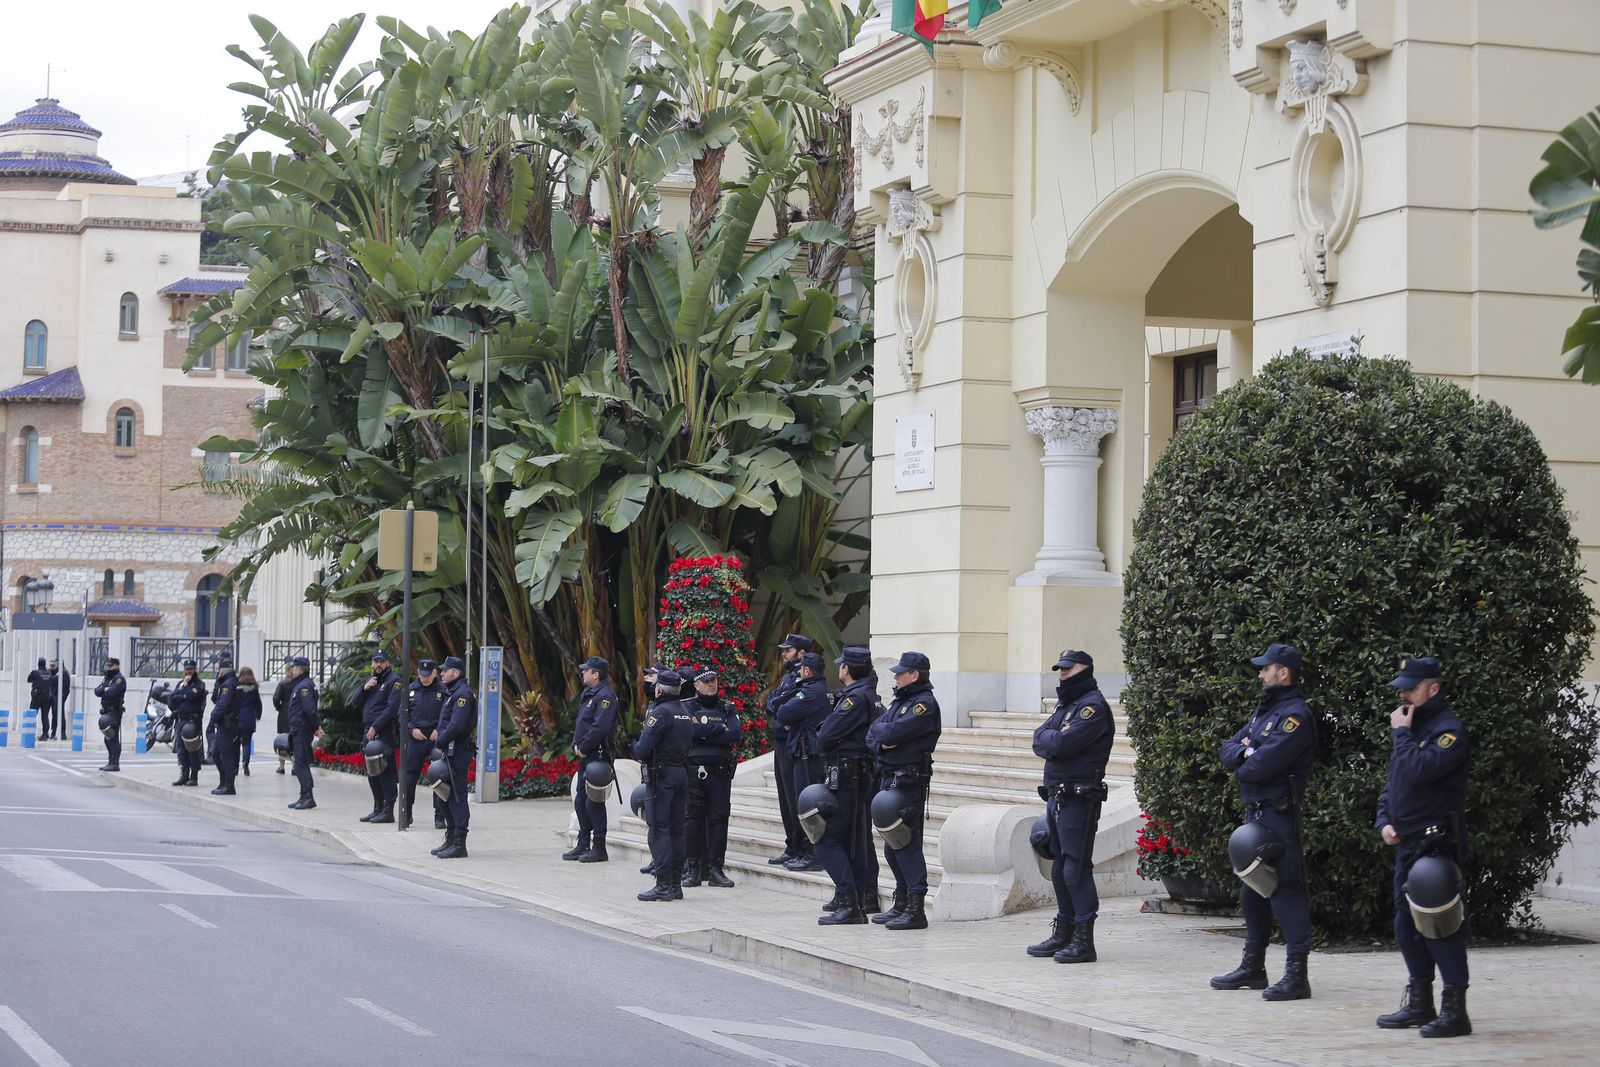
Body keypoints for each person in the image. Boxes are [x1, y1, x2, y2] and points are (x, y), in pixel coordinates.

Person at [1212, 643, 1318, 1000]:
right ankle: (1253, 966)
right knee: (1252, 889)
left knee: (1286, 889)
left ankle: (1297, 975)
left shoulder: (1295, 716)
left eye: (1265, 668)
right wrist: (1246, 750)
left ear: (1283, 673)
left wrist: (1247, 755)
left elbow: (1259, 767)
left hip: (1279, 813)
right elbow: (1228, 749)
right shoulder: (1265, 713)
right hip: (1256, 812)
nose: (1260, 674)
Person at [1374, 656, 1472, 1039]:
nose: (1403, 695)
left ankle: (1455, 1011)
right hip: (1408, 843)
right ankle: (1420, 1003)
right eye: (1401, 688)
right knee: (1406, 925)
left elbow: (1421, 770)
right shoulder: (1411, 728)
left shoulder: (1449, 731)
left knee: (1439, 926)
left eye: (1411, 688)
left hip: (1435, 844)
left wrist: (1401, 734)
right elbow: (1394, 784)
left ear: (1433, 688)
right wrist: (1384, 821)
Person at [1027, 650, 1115, 963]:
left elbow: (1062, 744)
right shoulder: (1068, 705)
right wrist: (1052, 739)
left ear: (1084, 669)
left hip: (1079, 796)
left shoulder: (1092, 707)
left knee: (1075, 867)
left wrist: (1052, 740)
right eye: (1060, 669)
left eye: (1068, 669)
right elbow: (1039, 738)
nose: (1062, 674)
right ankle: (1063, 930)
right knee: (1059, 865)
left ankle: (1083, 938)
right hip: (1058, 795)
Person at [866, 651, 942, 931]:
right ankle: (901, 901)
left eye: (900, 673)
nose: (896, 677)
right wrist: (883, 741)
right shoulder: (901, 702)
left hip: (909, 782)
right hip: (889, 779)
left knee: (907, 845)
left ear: (914, 675)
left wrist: (886, 737)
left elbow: (890, 733)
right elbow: (874, 732)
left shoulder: (924, 705)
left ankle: (915, 908)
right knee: (891, 847)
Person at [813, 646, 880, 925]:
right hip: (857, 775)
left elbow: (825, 736)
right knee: (855, 842)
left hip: (848, 776)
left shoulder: (855, 698)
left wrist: (825, 732)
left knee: (826, 839)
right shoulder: (869, 695)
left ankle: (849, 899)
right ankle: (857, 901)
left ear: (846, 669)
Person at [633, 670, 696, 901]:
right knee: (678, 829)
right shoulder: (685, 712)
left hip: (661, 776)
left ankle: (663, 884)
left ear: (659, 689)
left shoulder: (660, 713)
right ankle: (675, 883)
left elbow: (642, 750)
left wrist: (634, 745)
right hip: (680, 773)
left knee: (659, 829)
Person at [773, 648, 832, 872]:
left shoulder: (810, 692)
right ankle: (806, 850)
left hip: (808, 756)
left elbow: (783, 712)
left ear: (806, 670)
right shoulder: (823, 689)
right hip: (808, 753)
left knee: (807, 805)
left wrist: (792, 719)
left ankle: (811, 853)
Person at [682, 669, 740, 889]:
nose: (711, 684)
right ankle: (693, 870)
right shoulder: (687, 706)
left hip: (720, 772)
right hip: (693, 771)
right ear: (696, 685)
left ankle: (716, 869)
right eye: (706, 681)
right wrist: (717, 729)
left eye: (713, 680)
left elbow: (734, 734)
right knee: (693, 821)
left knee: (719, 820)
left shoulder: (727, 707)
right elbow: (689, 731)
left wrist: (703, 732)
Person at [765, 634, 813, 867]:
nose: (783, 653)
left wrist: (778, 707)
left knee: (795, 797)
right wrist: (778, 707)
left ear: (802, 653)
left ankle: (803, 847)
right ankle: (792, 845)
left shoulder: (803, 678)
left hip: (794, 742)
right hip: (781, 741)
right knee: (785, 797)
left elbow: (787, 708)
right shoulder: (787, 677)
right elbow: (771, 704)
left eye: (788, 650)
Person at [567, 656, 620, 863]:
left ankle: (599, 847)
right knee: (581, 799)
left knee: (594, 801)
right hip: (586, 754)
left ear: (596, 674)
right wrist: (576, 744)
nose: (583, 673)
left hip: (598, 754)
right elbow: (582, 723)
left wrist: (584, 746)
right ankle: (583, 843)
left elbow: (600, 727)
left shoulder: (606, 696)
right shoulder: (590, 694)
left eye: (586, 670)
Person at [433, 656, 476, 859]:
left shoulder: (462, 695)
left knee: (457, 797)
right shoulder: (452, 692)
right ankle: (450, 837)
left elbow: (457, 725)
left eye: (445, 670)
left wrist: (440, 741)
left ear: (456, 673)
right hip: (449, 750)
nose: (441, 673)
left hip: (458, 750)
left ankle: (459, 843)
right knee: (444, 796)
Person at [357, 650, 403, 824]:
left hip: (383, 731)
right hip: (368, 732)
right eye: (375, 661)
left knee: (385, 771)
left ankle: (388, 810)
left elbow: (391, 709)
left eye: (381, 662)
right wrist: (364, 688)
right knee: (372, 772)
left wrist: (376, 727)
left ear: (387, 663)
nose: (378, 665)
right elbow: (355, 702)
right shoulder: (371, 681)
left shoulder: (394, 681)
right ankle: (377, 807)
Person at [402, 660, 448, 832]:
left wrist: (439, 730)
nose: (425, 679)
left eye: (428, 676)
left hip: (436, 739)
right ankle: (406, 812)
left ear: (434, 673)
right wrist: (411, 729)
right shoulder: (411, 690)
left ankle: (440, 815)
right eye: (422, 675)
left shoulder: (443, 690)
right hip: (416, 738)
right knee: (410, 777)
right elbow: (402, 715)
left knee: (438, 775)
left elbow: (448, 714)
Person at [285, 657, 321, 810]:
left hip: (302, 730)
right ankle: (303, 795)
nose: (292, 670)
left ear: (299, 669)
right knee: (299, 763)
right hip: (298, 729)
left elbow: (309, 710)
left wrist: (316, 727)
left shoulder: (304, 686)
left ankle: (308, 796)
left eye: (293, 668)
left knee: (301, 763)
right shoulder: (301, 684)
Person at [170, 660, 208, 787]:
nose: (188, 671)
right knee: (181, 749)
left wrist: (186, 689)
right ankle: (184, 774)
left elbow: (192, 696)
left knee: (192, 749)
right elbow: (172, 699)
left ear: (195, 669)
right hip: (181, 719)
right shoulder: (180, 683)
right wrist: (184, 694)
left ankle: (194, 776)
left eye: (191, 669)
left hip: (193, 721)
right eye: (187, 669)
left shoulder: (199, 684)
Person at [207, 654, 241, 795]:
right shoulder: (231, 682)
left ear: (222, 671)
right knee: (216, 753)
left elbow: (222, 704)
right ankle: (224, 782)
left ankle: (229, 785)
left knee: (225, 755)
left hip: (228, 724)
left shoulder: (228, 685)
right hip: (227, 723)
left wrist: (214, 717)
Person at [95, 657, 127, 772]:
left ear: (117, 666)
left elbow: (112, 693)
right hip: (106, 711)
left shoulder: (119, 679)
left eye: (111, 666)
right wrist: (105, 689)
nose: (109, 668)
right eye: (108, 666)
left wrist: (104, 691)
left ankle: (115, 763)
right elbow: (97, 691)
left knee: (112, 738)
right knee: (108, 738)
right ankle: (110, 761)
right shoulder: (108, 678)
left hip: (114, 711)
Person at [236, 666, 262, 776]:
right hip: (249, 718)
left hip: (238, 718)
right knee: (246, 742)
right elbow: (258, 704)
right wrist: (258, 715)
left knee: (236, 743)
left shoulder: (237, 688)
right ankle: (245, 763)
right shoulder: (254, 689)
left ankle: (235, 766)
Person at [273, 661, 294, 774]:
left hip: (284, 714)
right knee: (294, 740)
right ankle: (294, 766)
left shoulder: (282, 684)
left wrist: (279, 707)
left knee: (283, 741)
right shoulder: (298, 684)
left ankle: (281, 766)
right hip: (295, 714)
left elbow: (276, 698)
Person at [46, 659, 70, 741]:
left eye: (55, 664)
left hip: (59, 696)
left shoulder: (62, 672)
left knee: (59, 715)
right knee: (56, 714)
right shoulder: (58, 672)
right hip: (56, 695)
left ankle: (62, 733)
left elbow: (52, 681)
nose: (53, 666)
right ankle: (55, 732)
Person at [27, 659, 51, 740]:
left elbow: (29, 680)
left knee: (32, 715)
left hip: (37, 697)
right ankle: (45, 734)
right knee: (45, 716)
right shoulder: (49, 673)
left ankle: (30, 733)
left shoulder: (35, 672)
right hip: (47, 697)